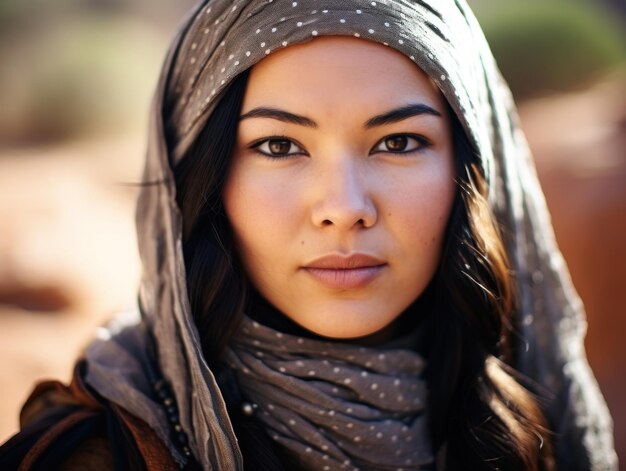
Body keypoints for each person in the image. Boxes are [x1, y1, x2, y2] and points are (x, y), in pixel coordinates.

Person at [0, 0, 617, 469]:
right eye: (279, 145)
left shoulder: (538, 426)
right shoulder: (92, 454)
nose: (344, 209)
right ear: (203, 180)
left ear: (472, 171)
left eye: (398, 142)